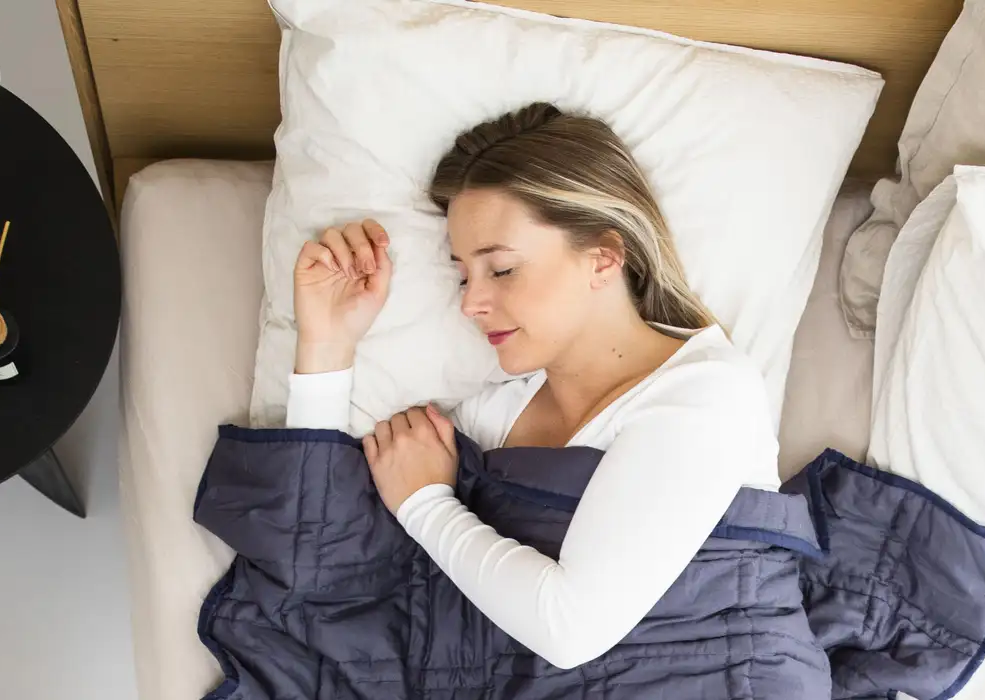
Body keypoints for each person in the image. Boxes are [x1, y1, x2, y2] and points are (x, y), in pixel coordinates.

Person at [284, 102, 779, 670]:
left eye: (501, 269)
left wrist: (427, 506)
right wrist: (325, 342)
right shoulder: (493, 414)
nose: (471, 302)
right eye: (462, 275)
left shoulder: (707, 392)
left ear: (603, 258)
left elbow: (571, 629)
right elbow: (322, 546)